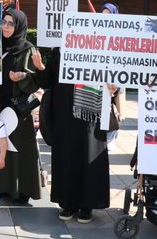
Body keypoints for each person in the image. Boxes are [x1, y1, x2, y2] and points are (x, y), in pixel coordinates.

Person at [32, 45, 110, 223]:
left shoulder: (102, 49)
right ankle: (68, 203)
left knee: (88, 155)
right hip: (65, 113)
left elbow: (114, 75)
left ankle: (87, 205)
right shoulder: (59, 51)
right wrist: (40, 67)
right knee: (67, 155)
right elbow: (46, 82)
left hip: (91, 113)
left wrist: (114, 88)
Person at [0, 8, 42, 204]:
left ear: (19, 26)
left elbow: (36, 79)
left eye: (10, 23)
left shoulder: (27, 48)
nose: (5, 27)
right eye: (3, 22)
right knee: (2, 148)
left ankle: (23, 190)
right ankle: (4, 187)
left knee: (20, 149)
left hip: (19, 109)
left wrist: (21, 77)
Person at [101, 4, 126, 148]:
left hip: (116, 77)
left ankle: (111, 135)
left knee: (113, 107)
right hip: (101, 77)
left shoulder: (120, 34)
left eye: (108, 15)